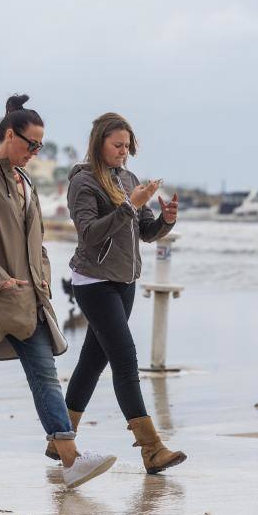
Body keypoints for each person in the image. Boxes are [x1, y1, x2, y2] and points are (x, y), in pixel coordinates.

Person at [0, 95, 116, 489]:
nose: (35, 152)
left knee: (45, 377)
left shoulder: (25, 181)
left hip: (29, 301)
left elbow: (34, 240)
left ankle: (70, 458)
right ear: (8, 134)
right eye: (29, 144)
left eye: (40, 146)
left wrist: (43, 278)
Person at [45, 112, 187, 474]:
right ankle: (151, 449)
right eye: (117, 145)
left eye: (127, 146)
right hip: (93, 282)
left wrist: (166, 219)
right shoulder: (84, 182)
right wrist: (130, 204)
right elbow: (89, 233)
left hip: (125, 281)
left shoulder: (129, 178)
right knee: (125, 359)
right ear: (99, 144)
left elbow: (145, 232)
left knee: (93, 361)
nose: (124, 152)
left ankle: (59, 436)